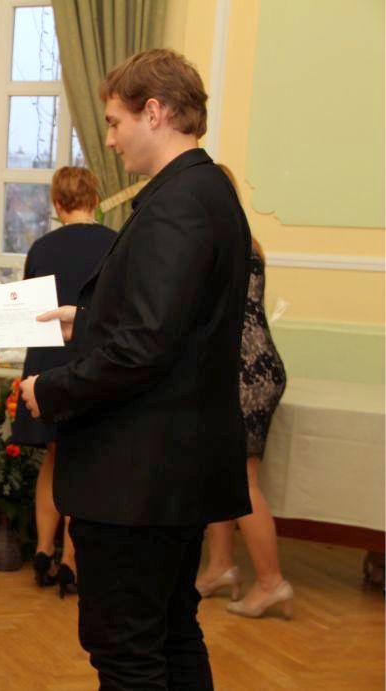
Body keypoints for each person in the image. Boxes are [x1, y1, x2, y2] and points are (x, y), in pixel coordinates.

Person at [20, 49, 252, 690]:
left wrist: (50, 387)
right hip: (173, 471)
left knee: (126, 653)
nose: (111, 139)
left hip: (140, 477)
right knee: (172, 635)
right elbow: (175, 325)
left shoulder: (178, 203)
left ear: (155, 112)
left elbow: (145, 348)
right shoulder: (205, 191)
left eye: (115, 122)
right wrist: (89, 319)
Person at [10, 167, 116, 598]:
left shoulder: (42, 247)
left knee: (53, 460)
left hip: (46, 364)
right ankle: (71, 560)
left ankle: (41, 549)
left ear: (57, 203)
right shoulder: (115, 244)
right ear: (96, 198)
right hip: (89, 363)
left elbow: (27, 309)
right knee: (83, 466)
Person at [195, 165, 291, 618]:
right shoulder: (248, 241)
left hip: (242, 371)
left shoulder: (215, 241)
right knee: (218, 471)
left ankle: (271, 583)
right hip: (257, 364)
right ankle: (219, 567)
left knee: (241, 478)